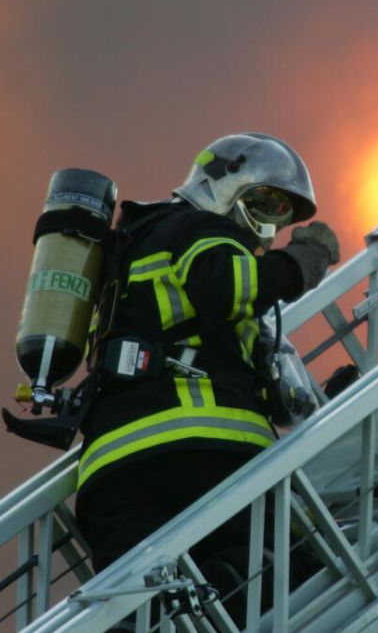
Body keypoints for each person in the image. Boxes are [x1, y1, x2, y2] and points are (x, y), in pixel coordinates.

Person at [73, 133, 339, 598]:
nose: (270, 226)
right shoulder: (199, 230)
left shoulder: (130, 253)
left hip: (110, 470)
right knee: (294, 568)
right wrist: (303, 262)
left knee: (137, 607)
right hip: (202, 450)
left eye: (282, 214)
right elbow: (229, 285)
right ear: (227, 186)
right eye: (266, 204)